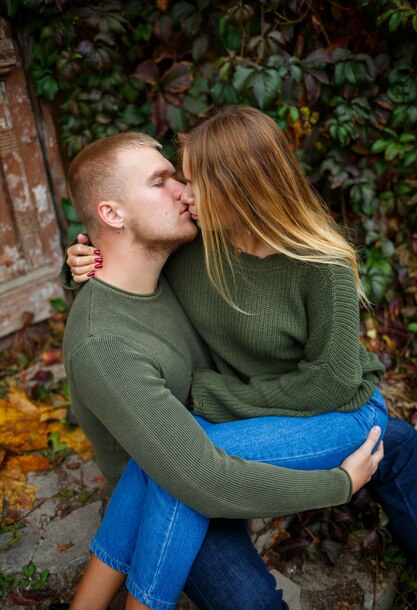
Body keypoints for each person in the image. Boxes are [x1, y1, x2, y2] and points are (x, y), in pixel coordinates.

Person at [61, 127, 385, 610]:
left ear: (234, 188)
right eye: (166, 181)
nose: (181, 193)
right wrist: (74, 267)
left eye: (187, 180)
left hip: (336, 409)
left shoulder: (312, 262)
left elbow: (336, 382)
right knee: (178, 472)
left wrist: (213, 398)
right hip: (234, 433)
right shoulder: (187, 251)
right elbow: (118, 254)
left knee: (180, 463)